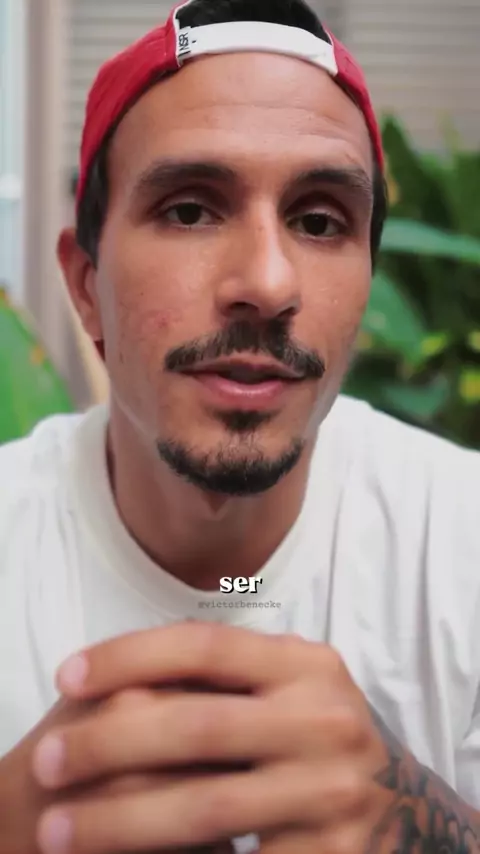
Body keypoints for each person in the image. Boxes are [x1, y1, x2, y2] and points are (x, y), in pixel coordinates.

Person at [0, 0, 479, 852]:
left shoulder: (461, 545)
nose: (267, 282)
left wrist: (422, 829)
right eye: (190, 210)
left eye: (319, 221)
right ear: (86, 286)